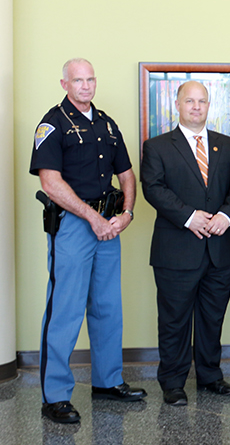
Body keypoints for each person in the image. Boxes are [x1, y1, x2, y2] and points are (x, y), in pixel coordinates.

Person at [29, 58, 146, 423]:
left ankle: (108, 382)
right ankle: (55, 397)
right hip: (74, 227)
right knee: (64, 310)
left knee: (108, 307)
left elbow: (127, 174)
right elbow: (50, 182)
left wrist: (125, 214)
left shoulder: (107, 124)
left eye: (90, 79)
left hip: (109, 227)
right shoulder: (52, 123)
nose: (85, 85)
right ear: (64, 83)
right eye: (78, 80)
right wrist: (92, 217)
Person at [141, 81, 230, 406]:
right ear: (177, 104)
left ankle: (210, 377)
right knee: (174, 320)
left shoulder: (227, 145)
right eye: (190, 101)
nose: (196, 107)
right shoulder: (157, 146)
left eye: (202, 101)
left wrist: (225, 218)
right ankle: (173, 382)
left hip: (219, 249)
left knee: (212, 318)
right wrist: (189, 217)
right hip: (176, 250)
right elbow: (153, 188)